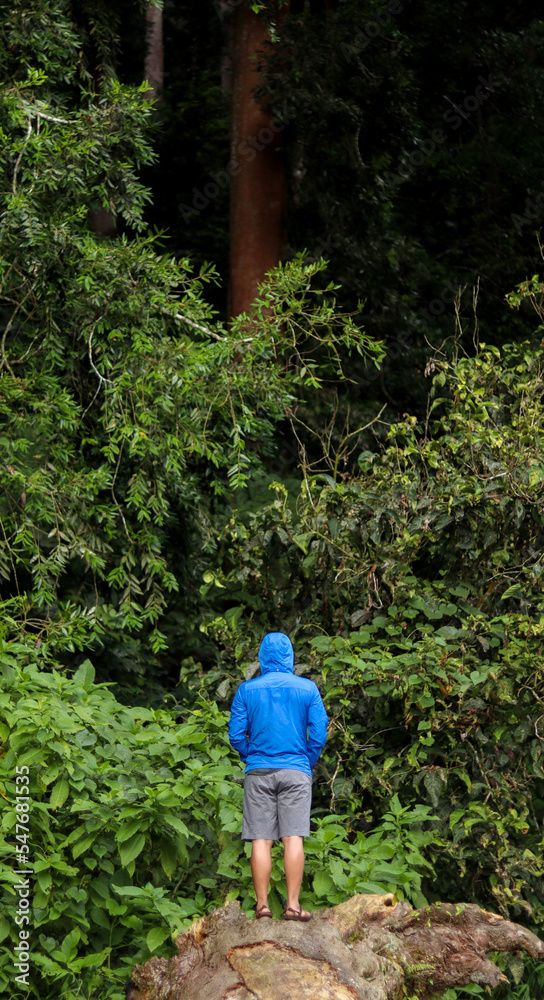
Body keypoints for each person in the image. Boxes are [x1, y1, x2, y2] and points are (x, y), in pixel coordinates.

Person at [228, 631, 328, 921]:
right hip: (296, 770)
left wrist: (251, 756)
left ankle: (262, 907)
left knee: (260, 840)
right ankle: (294, 906)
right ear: (290, 656)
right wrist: (305, 761)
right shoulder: (307, 688)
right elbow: (319, 732)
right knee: (293, 837)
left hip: (258, 771)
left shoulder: (247, 690)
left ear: (261, 657)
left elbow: (235, 735)